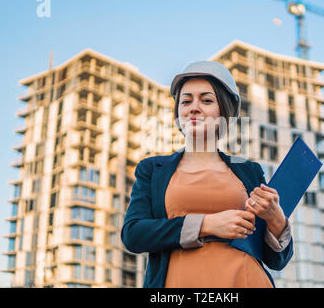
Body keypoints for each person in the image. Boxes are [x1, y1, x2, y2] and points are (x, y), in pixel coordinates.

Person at [121, 61, 293, 288]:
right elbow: (134, 235)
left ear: (224, 110)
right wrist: (207, 224)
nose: (194, 107)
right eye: (186, 101)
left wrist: (276, 219)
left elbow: (276, 260)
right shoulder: (152, 169)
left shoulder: (250, 171)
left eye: (206, 100)